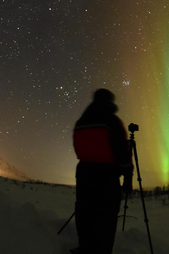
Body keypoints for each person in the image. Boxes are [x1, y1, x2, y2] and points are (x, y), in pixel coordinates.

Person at [71, 88, 133, 254]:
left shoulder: (80, 123)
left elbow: (78, 148)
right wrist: (128, 177)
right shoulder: (112, 121)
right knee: (106, 218)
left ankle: (85, 248)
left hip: (84, 172)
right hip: (106, 175)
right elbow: (122, 152)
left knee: (85, 214)